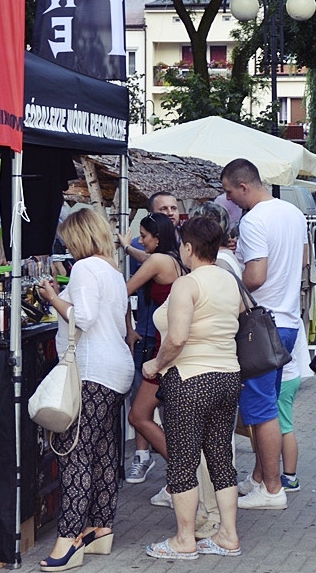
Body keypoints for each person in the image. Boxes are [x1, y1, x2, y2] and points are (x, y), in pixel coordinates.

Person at [142, 217, 244, 559]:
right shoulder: (230, 280)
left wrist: (156, 365)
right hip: (228, 375)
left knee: (183, 461)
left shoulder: (187, 285)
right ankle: (228, 535)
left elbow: (177, 337)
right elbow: (240, 315)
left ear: (188, 248)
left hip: (189, 378)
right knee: (220, 456)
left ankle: (184, 540)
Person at [36, 208, 133, 571]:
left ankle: (68, 540)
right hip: (116, 368)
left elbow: (85, 317)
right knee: (105, 450)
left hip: (92, 371)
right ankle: (100, 528)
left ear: (78, 238)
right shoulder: (112, 270)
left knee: (74, 451)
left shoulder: (84, 268)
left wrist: (52, 298)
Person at [221, 158, 307, 511]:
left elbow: (255, 276)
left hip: (260, 324)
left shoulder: (253, 219)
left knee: (261, 411)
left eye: (229, 192)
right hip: (287, 321)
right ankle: (259, 478)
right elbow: (302, 262)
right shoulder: (292, 213)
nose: (229, 200)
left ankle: (272, 489)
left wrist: (229, 271)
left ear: (244, 186)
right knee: (268, 405)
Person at [123, 213, 185, 508]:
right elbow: (144, 257)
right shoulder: (171, 258)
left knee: (138, 416)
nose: (141, 241)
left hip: (164, 352)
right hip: (171, 349)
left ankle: (183, 474)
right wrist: (128, 248)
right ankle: (179, 480)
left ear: (157, 238)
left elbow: (124, 289)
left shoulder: (158, 262)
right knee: (164, 418)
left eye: (145, 236)